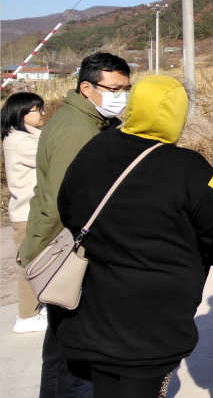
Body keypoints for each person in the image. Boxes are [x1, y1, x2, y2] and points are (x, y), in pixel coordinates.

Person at [55, 75, 213, 398]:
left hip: (94, 312)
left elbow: (67, 209)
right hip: (155, 323)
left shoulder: (94, 149)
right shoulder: (191, 169)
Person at [20, 51, 131, 398]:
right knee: (76, 356)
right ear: (86, 87)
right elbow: (60, 202)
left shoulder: (83, 121)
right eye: (114, 89)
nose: (121, 96)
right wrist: (36, 250)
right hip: (71, 254)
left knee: (59, 348)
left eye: (126, 89)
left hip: (66, 250)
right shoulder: (78, 132)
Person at [1, 92, 47, 334]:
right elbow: (50, 156)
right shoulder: (20, 140)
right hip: (27, 213)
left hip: (30, 211)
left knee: (39, 261)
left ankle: (37, 307)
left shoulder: (24, 135)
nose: (42, 113)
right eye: (37, 110)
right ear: (21, 114)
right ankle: (27, 316)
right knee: (30, 264)